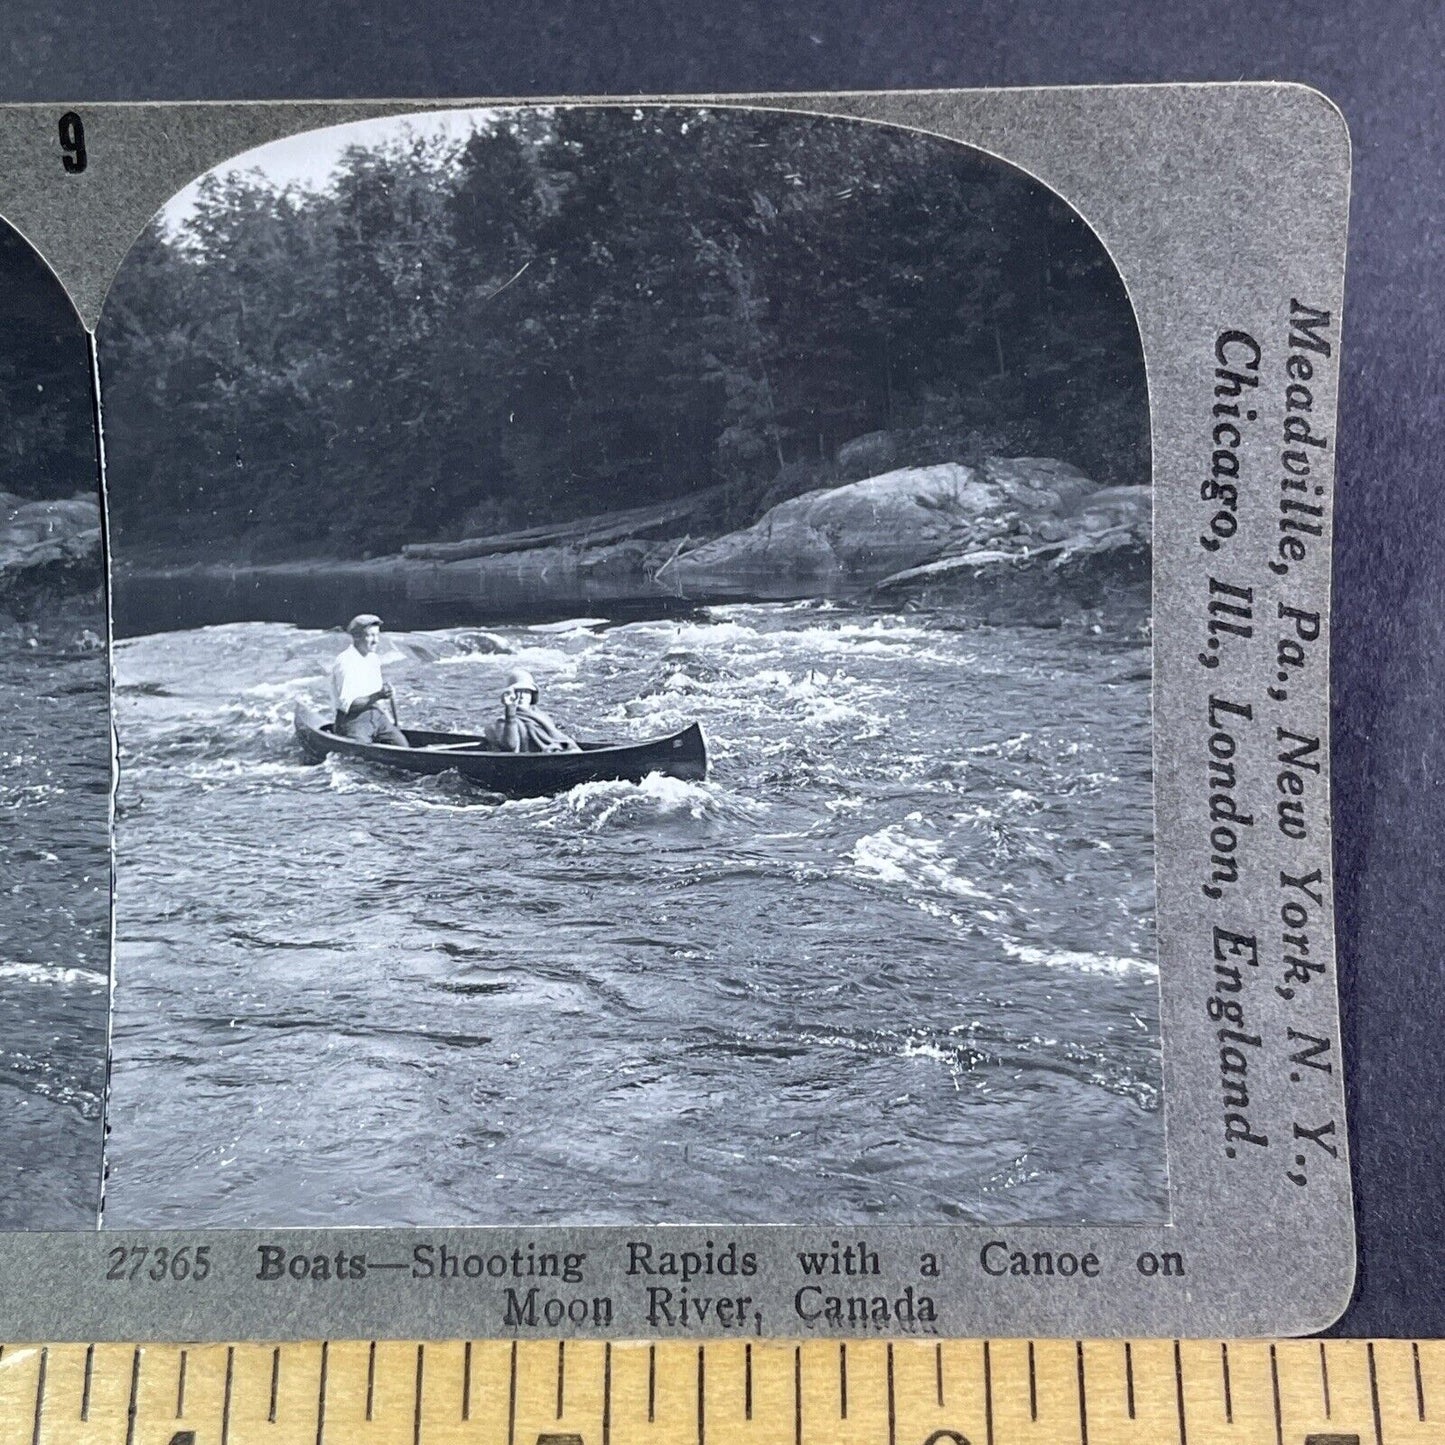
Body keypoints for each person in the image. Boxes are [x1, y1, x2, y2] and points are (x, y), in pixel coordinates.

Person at [330, 613, 409, 746]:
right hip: (353, 720)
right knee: (361, 757)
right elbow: (349, 705)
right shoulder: (345, 662)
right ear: (356, 637)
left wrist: (386, 694)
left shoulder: (373, 658)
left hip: (376, 715)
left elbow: (376, 697)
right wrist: (379, 695)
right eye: (370, 635)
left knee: (404, 748)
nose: (376, 640)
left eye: (377, 635)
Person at [484, 668, 580, 753]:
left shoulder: (542, 717)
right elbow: (510, 746)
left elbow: (557, 738)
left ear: (532, 695)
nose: (521, 696)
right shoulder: (503, 721)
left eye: (526, 692)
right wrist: (510, 711)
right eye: (517, 692)